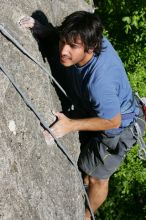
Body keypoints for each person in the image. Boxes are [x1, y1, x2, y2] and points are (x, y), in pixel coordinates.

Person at [20, 11, 145, 220]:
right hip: (100, 109)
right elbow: (68, 35)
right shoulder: (87, 35)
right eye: (62, 42)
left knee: (97, 178)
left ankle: (86, 216)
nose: (63, 51)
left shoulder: (99, 83)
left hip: (118, 128)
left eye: (72, 47)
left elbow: (113, 120)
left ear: (91, 47)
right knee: (86, 169)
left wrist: (70, 125)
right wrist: (44, 31)